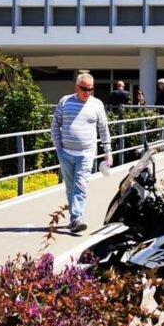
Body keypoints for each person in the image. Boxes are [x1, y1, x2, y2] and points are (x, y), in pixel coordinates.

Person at [50, 73, 112, 233]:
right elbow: (55, 124)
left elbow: (103, 129)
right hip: (65, 152)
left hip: (86, 153)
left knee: (80, 186)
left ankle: (77, 217)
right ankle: (74, 219)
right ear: (76, 87)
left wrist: (108, 151)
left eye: (90, 89)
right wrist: (58, 147)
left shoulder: (97, 104)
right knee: (70, 187)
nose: (87, 92)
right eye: (84, 89)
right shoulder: (65, 101)